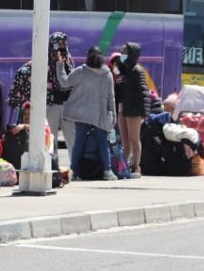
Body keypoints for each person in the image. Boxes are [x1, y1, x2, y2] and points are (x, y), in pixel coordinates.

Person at [57, 46, 118, 181]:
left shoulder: (81, 71)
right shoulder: (107, 74)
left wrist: (60, 64)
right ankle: (107, 171)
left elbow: (64, 82)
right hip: (100, 115)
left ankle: (75, 172)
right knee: (103, 142)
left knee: (79, 142)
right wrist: (113, 115)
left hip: (81, 114)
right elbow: (111, 96)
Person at [117, 42, 151, 175]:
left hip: (134, 109)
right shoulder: (123, 69)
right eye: (121, 51)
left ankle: (136, 167)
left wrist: (144, 111)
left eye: (125, 52)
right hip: (123, 108)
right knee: (124, 140)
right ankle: (124, 166)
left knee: (134, 139)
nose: (122, 54)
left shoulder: (137, 70)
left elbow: (143, 92)